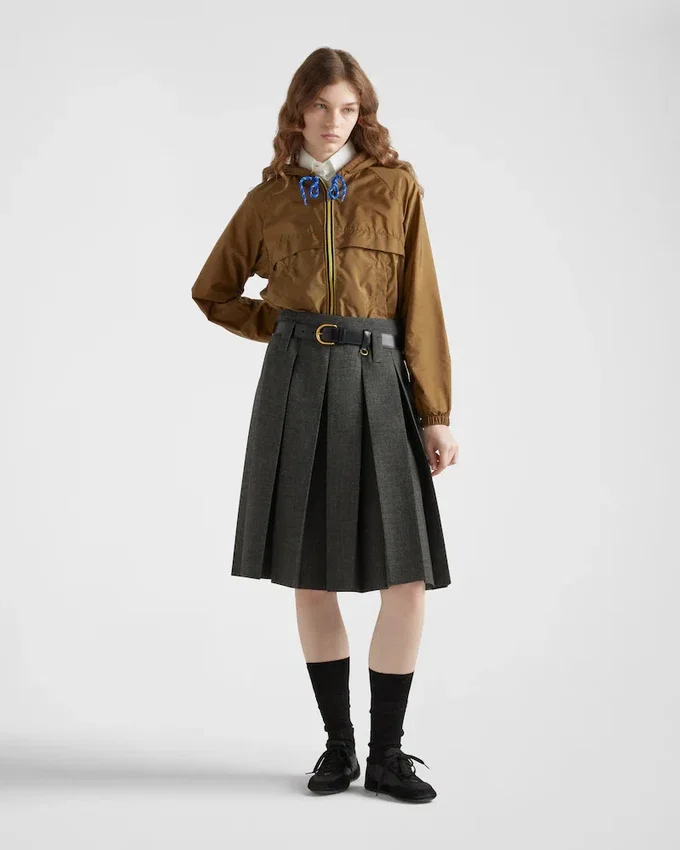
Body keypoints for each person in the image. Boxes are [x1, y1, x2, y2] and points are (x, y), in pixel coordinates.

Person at [191, 46, 460, 803]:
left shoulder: (396, 187)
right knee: (312, 575)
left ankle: (388, 754)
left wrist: (436, 413)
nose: (332, 121)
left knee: (406, 578)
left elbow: (421, 302)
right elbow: (213, 291)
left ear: (361, 114)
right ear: (297, 112)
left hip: (382, 383)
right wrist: (285, 327)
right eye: (319, 106)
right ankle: (339, 749)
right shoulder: (269, 198)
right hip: (298, 385)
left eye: (347, 109)